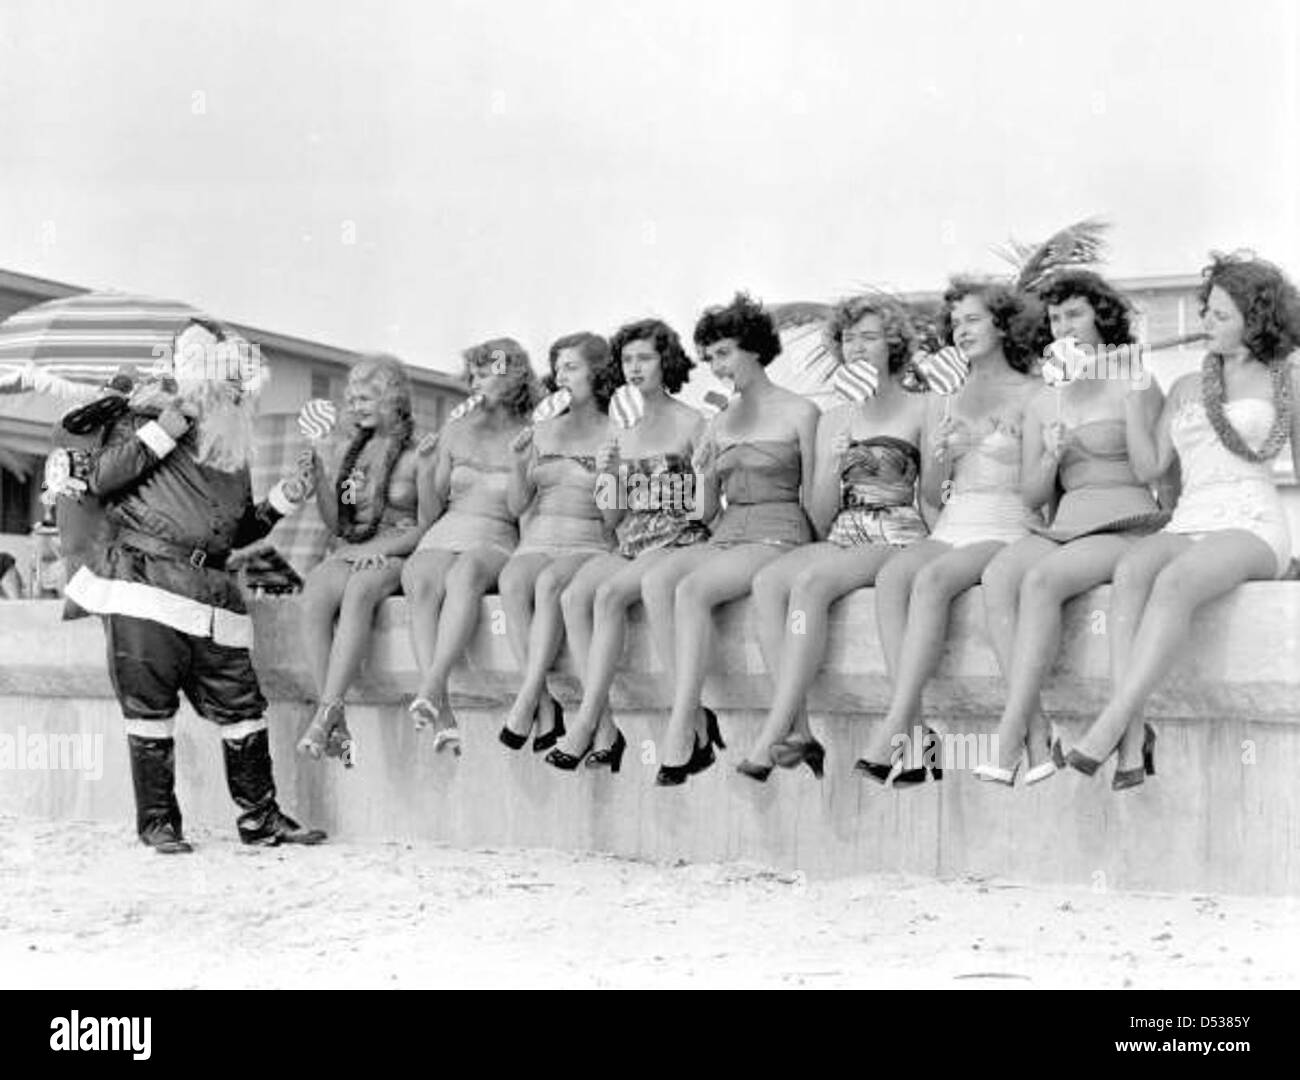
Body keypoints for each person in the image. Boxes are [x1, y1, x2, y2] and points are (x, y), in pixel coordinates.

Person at [63, 318, 325, 853]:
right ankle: (159, 824)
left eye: (240, 381)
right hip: (146, 585)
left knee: (244, 710)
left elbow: (236, 529)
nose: (235, 389)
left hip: (213, 595)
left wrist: (283, 499)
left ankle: (260, 819)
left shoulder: (231, 444)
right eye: (226, 377)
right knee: (150, 712)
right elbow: (104, 477)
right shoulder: (141, 418)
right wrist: (167, 426)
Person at [1067, 252, 1300, 788]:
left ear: (1256, 317)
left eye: (1220, 315)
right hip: (1188, 518)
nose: (1207, 325)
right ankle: (1133, 739)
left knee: (1173, 583)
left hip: (1251, 519)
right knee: (1130, 573)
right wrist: (1130, 393)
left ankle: (1110, 723)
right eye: (1207, 313)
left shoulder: (1285, 376)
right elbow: (1150, 466)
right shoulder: (1186, 388)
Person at [974, 272, 1169, 785]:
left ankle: (1009, 733)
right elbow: (1034, 496)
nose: (1065, 326)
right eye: (1057, 318)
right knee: (997, 577)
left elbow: (1163, 473)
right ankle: (1037, 729)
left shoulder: (1136, 379)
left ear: (1101, 317)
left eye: (1075, 314)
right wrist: (1051, 457)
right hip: (1065, 524)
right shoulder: (1045, 400)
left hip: (1126, 520)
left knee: (1041, 582)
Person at [854, 278, 1041, 786]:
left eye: (973, 319)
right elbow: (933, 496)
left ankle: (896, 724)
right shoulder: (945, 397)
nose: (962, 330)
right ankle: (916, 729)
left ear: (1002, 325)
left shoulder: (1034, 394)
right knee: (894, 578)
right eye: (956, 323)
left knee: (934, 582)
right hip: (955, 521)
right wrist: (944, 457)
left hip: (1007, 525)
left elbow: (1039, 492)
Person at [739, 294, 928, 780]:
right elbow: (821, 515)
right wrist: (831, 462)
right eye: (848, 338)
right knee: (767, 584)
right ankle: (799, 727)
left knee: (811, 587)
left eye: (869, 336)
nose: (857, 347)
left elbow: (929, 498)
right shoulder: (833, 419)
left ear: (893, 343)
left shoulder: (923, 407)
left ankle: (773, 730)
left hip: (897, 530)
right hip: (843, 531)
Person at [640, 293, 819, 785]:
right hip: (727, 531)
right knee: (656, 582)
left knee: (693, 591)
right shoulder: (718, 422)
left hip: (778, 530)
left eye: (723, 353)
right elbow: (703, 512)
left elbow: (817, 496)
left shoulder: (801, 412)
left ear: (755, 349)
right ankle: (697, 715)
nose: (715, 366)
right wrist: (699, 474)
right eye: (710, 356)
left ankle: (680, 727)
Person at [545, 319, 708, 771]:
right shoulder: (621, 431)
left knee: (610, 595)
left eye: (645, 358)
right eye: (627, 360)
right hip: (630, 541)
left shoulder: (693, 422)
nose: (634, 368)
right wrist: (608, 475)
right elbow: (613, 517)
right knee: (575, 595)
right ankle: (605, 725)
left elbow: (705, 510)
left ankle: (585, 720)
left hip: (678, 539)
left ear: (665, 362)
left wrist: (691, 482)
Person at [401, 338, 538, 753]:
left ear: (513, 375)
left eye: (487, 371)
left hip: (496, 533)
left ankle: (433, 685)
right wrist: (425, 472)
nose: (477, 379)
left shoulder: (533, 433)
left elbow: (521, 507)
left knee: (466, 574)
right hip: (447, 527)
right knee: (420, 579)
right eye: (474, 372)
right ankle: (441, 713)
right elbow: (431, 512)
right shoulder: (455, 430)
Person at [296, 355, 421, 765]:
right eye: (352, 399)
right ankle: (335, 716)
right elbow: (340, 523)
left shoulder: (422, 450)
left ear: (392, 398)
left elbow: (432, 523)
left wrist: (383, 551)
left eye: (365, 398)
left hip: (403, 548)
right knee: (315, 590)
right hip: (357, 547)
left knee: (360, 589)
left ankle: (325, 713)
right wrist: (319, 473)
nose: (355, 406)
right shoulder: (354, 454)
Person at [498, 333, 619, 751]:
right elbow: (517, 505)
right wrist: (517, 465)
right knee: (513, 582)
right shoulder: (541, 431)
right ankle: (546, 705)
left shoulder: (617, 430)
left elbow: (614, 519)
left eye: (572, 367)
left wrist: (609, 475)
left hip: (589, 542)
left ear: (597, 372)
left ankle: (528, 696)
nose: (561, 376)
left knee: (550, 584)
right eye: (559, 367)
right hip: (537, 539)